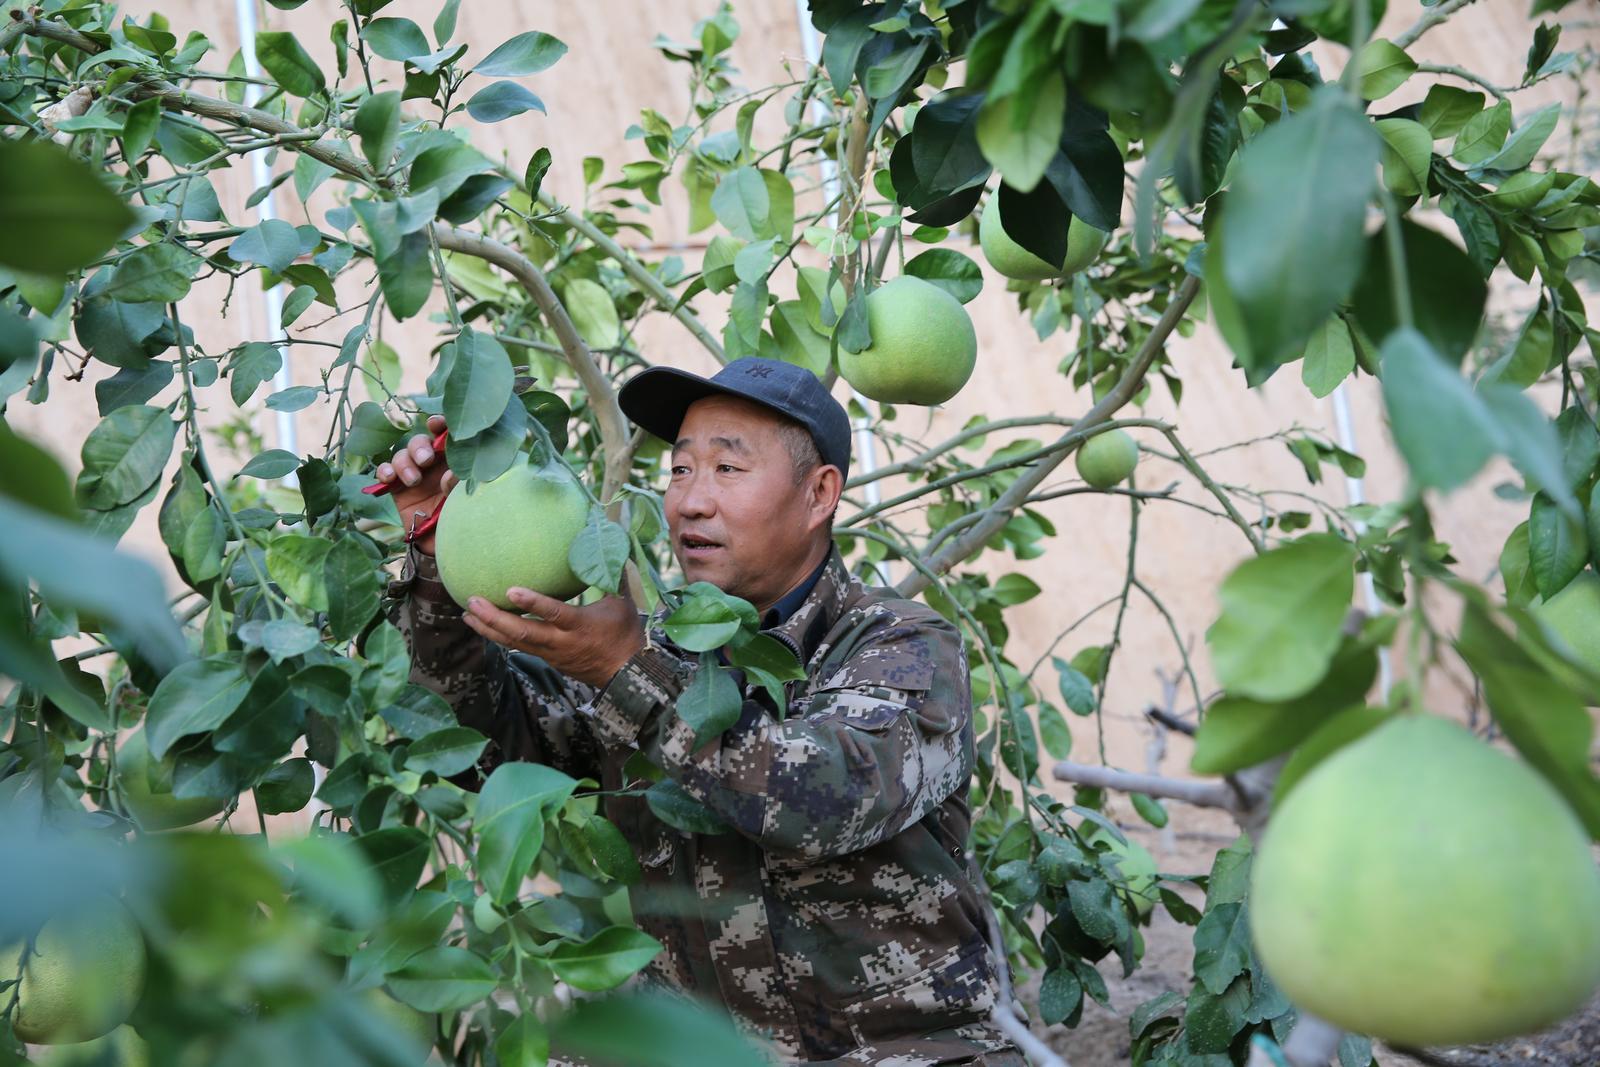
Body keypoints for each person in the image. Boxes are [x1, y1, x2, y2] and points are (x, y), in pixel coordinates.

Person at [378, 357, 1021, 1065]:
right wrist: (436, 566)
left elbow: (824, 798)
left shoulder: (901, 645)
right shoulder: (652, 651)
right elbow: (476, 740)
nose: (690, 502)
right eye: (681, 469)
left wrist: (628, 672)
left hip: (893, 1047)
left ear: (818, 494)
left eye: (727, 469)